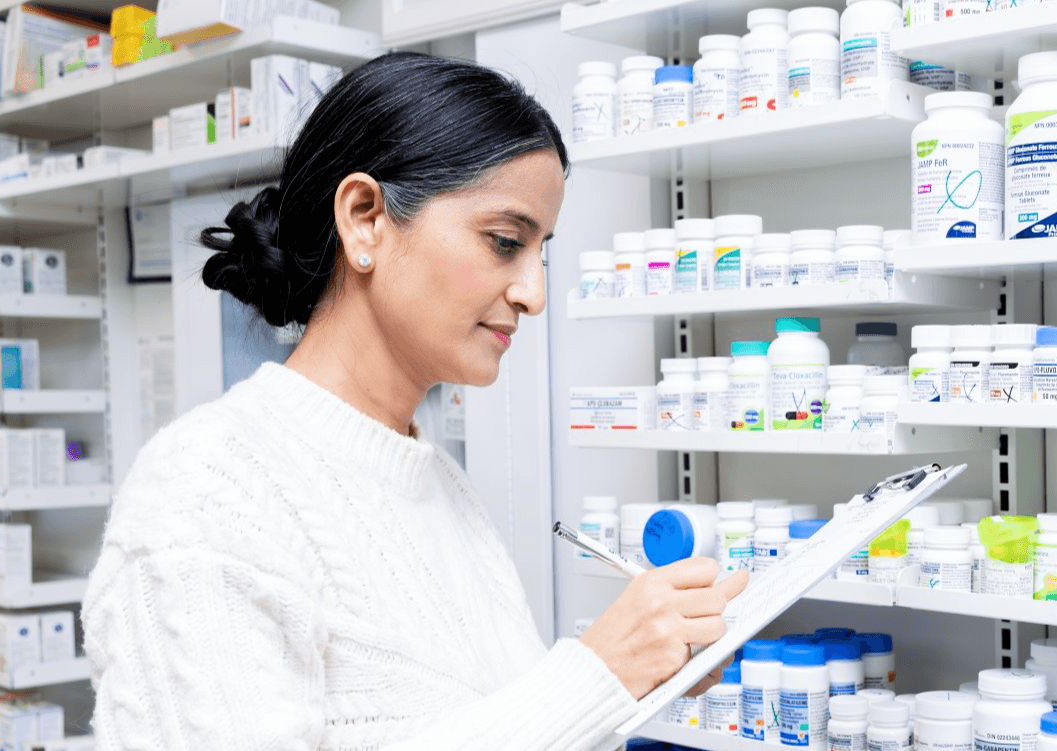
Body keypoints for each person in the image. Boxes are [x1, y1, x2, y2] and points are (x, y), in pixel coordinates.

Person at [81, 52, 745, 750]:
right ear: (365, 217)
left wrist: (632, 680)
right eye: (504, 242)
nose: (533, 293)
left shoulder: (440, 487)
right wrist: (595, 673)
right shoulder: (206, 489)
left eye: (540, 252)